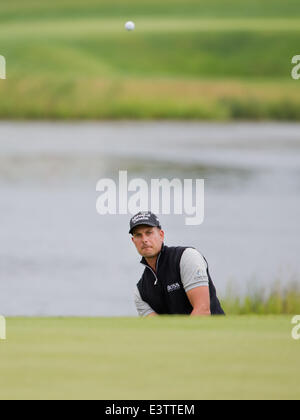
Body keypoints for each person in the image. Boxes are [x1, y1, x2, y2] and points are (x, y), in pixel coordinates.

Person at [130, 211, 225, 317]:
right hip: (175, 334)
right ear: (133, 241)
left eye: (149, 233)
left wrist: (182, 334)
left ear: (161, 235)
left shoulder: (187, 258)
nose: (144, 239)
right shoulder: (140, 292)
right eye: (138, 235)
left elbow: (202, 311)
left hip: (215, 332)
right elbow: (156, 330)